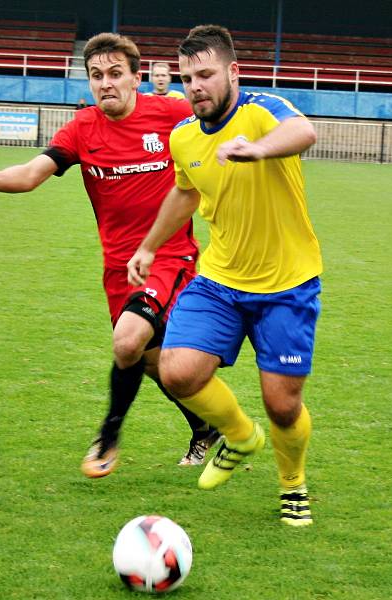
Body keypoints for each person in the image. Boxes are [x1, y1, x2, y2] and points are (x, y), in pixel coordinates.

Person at [0, 33, 219, 479]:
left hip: (168, 257)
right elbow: (34, 172)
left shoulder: (173, 114)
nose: (106, 84)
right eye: (96, 76)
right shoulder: (82, 128)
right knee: (154, 361)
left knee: (127, 341)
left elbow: (220, 123)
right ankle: (206, 425)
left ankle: (109, 435)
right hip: (117, 268)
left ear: (137, 78)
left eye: (116, 74)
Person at [128, 25, 322, 527]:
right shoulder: (183, 135)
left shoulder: (263, 111)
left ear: (233, 72)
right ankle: (238, 436)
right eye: (188, 77)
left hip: (288, 284)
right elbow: (186, 193)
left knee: (283, 406)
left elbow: (304, 132)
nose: (196, 86)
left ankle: (292, 483)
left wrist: (255, 150)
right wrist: (149, 246)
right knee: (178, 371)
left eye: (207, 74)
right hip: (220, 280)